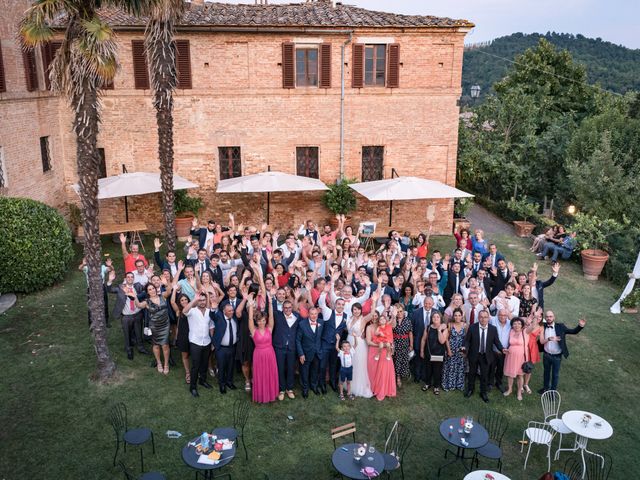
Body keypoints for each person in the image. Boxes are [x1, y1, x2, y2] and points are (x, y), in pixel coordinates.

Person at [464, 310, 507, 403]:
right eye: (481, 317)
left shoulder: (493, 329)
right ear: (478, 318)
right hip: (474, 354)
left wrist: (502, 349)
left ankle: (483, 392)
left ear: (488, 318)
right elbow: (467, 341)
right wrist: (465, 348)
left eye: (485, 317)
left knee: (484, 375)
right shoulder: (472, 327)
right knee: (472, 373)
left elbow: (497, 341)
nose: (483, 319)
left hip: (486, 356)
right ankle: (470, 389)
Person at [538, 311, 586, 393]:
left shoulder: (560, 326)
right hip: (546, 355)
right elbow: (541, 339)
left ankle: (553, 392)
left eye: (550, 316)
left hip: (557, 356)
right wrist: (550, 339)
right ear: (545, 318)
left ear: (554, 317)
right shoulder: (543, 326)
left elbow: (573, 331)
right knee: (546, 373)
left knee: (555, 375)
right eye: (547, 316)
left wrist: (580, 326)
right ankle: (545, 388)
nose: (549, 318)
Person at [107, 271, 149, 360]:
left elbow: (148, 289)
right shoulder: (120, 288)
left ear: (134, 279)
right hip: (126, 316)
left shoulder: (137, 286)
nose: (130, 278)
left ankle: (141, 348)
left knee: (138, 332)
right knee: (127, 333)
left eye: (131, 277)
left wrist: (149, 277)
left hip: (137, 314)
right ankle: (129, 349)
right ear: (125, 279)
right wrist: (110, 280)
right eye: (128, 277)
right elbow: (109, 290)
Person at [247, 295, 279, 403]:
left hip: (270, 354)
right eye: (260, 321)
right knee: (260, 375)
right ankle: (261, 395)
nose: (262, 322)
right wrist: (251, 305)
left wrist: (270, 302)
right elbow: (250, 319)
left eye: (263, 320)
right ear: (257, 321)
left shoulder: (269, 328)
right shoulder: (253, 331)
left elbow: (271, 317)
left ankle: (271, 394)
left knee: (270, 374)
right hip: (259, 355)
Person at [183, 292, 215, 398]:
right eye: (200, 300)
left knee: (204, 364)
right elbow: (184, 311)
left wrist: (212, 342)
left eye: (204, 300)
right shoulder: (192, 311)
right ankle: (192, 387)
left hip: (206, 342)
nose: (202, 302)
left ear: (206, 301)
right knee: (195, 366)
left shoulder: (209, 312)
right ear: (197, 301)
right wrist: (194, 300)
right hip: (195, 342)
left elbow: (211, 327)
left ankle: (202, 381)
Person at [135, 283, 172, 375]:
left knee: (165, 345)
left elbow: (169, 291)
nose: (152, 290)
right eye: (150, 289)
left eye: (153, 288)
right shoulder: (147, 302)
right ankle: (159, 363)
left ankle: (166, 364)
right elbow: (139, 305)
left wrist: (166, 282)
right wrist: (134, 296)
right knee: (156, 345)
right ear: (147, 292)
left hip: (165, 324)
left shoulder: (162, 296)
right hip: (155, 326)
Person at [318, 286, 348, 393]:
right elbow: (321, 303)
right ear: (335, 305)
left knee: (333, 365)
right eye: (338, 304)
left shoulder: (345, 316)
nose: (340, 306)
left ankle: (332, 382)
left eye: (342, 305)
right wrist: (325, 292)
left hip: (336, 345)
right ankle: (321, 384)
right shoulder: (328, 312)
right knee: (322, 365)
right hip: (325, 343)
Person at [272, 299, 300, 400]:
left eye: (289, 307)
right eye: (285, 308)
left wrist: (296, 299)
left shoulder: (297, 316)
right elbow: (270, 310)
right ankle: (282, 389)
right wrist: (271, 297)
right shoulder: (277, 315)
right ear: (282, 308)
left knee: (290, 368)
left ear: (292, 308)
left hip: (292, 347)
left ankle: (290, 388)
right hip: (279, 347)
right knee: (280, 368)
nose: (287, 309)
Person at [366, 311, 397, 401]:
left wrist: (393, 316)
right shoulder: (369, 327)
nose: (374, 317)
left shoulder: (385, 325)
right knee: (373, 371)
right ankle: (374, 389)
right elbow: (368, 342)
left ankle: (385, 390)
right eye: (373, 316)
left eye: (376, 316)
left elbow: (393, 325)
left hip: (385, 352)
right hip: (374, 351)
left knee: (384, 371)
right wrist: (381, 345)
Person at [346, 303, 373, 398]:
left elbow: (372, 314)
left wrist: (373, 301)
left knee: (358, 365)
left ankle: (357, 386)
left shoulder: (363, 319)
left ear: (361, 310)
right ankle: (349, 385)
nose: (356, 311)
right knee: (349, 364)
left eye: (358, 309)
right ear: (352, 310)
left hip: (359, 345)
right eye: (354, 309)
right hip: (348, 343)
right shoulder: (349, 318)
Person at [296, 306, 324, 398]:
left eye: (315, 314)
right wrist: (301, 354)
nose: (314, 316)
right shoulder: (302, 324)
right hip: (306, 353)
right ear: (308, 314)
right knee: (304, 372)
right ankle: (305, 389)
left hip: (317, 352)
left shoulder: (321, 322)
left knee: (315, 371)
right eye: (312, 314)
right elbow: (298, 340)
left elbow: (321, 337)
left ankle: (314, 386)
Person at [211, 303, 239, 394]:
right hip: (221, 348)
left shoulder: (234, 318)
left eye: (232, 310)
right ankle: (222, 384)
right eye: (229, 311)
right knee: (221, 366)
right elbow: (212, 316)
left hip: (232, 347)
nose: (232, 312)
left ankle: (229, 382)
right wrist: (213, 309)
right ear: (224, 311)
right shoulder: (219, 317)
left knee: (231, 366)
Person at [420, 311, 448, 395]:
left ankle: (436, 386)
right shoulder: (428, 328)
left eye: (437, 317)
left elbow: (442, 341)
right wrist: (421, 351)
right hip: (429, 352)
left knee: (437, 371)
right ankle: (427, 383)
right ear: (431, 319)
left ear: (440, 318)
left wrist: (439, 330)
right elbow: (423, 339)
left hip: (439, 353)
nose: (435, 318)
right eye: (434, 317)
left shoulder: (444, 329)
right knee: (428, 369)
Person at [411, 296, 437, 383]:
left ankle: (426, 376)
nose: (427, 305)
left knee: (428, 360)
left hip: (431, 342)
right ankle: (417, 377)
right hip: (418, 340)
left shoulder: (436, 313)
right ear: (423, 303)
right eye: (426, 303)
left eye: (430, 303)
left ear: (433, 304)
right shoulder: (415, 313)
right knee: (418, 359)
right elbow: (412, 327)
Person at [503, 317, 529, 401]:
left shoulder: (525, 331)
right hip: (510, 356)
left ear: (522, 325)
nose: (516, 325)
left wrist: (535, 316)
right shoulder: (511, 331)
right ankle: (510, 389)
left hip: (521, 357)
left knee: (520, 375)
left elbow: (532, 326)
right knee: (510, 374)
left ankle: (519, 392)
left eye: (519, 323)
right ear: (512, 325)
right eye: (514, 323)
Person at [171, 288, 192, 384]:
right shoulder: (178, 312)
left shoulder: (193, 310)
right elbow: (172, 302)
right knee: (185, 355)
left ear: (189, 300)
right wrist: (174, 290)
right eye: (182, 300)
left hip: (193, 335)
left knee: (195, 355)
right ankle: (188, 373)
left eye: (185, 299)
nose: (184, 301)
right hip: (183, 336)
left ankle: (197, 371)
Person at [442, 308, 466, 391]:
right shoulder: (450, 325)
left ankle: (459, 385)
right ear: (453, 316)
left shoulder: (465, 325)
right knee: (450, 367)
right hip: (451, 348)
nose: (457, 317)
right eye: (455, 315)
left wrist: (464, 351)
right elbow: (446, 339)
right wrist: (448, 350)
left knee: (460, 367)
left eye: (459, 315)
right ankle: (449, 384)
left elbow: (467, 339)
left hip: (461, 349)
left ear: (462, 316)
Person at [489, 309, 511, 394]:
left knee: (500, 368)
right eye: (500, 315)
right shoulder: (493, 320)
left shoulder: (510, 323)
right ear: (497, 315)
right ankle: (490, 383)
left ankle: (499, 383)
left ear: (507, 316)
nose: (502, 317)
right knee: (491, 367)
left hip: (504, 351)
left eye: (504, 315)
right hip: (493, 350)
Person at [392, 303, 413, 388]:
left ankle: (402, 374)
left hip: (405, 343)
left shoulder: (408, 320)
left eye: (401, 311)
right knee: (396, 360)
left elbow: (410, 333)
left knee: (404, 360)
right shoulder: (393, 320)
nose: (399, 313)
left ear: (404, 311)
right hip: (395, 342)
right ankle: (397, 378)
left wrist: (411, 344)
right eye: (398, 311)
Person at [523, 308, 544, 394]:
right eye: (537, 316)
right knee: (521, 364)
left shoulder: (541, 328)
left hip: (533, 347)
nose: (538, 318)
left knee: (529, 366)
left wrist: (549, 339)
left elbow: (542, 340)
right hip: (525, 345)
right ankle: (520, 385)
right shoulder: (528, 323)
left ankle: (526, 384)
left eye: (540, 317)